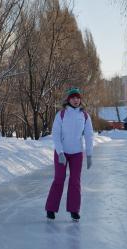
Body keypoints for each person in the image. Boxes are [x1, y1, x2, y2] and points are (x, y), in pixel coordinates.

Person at [45, 87, 94, 221]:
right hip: (62, 152)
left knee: (75, 181)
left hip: (77, 153)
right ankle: (50, 208)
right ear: (68, 99)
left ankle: (74, 210)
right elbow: (55, 134)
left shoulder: (84, 115)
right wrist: (60, 152)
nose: (76, 100)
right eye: (73, 97)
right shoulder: (61, 114)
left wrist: (89, 154)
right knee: (59, 179)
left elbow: (89, 135)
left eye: (78, 97)